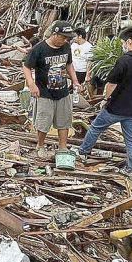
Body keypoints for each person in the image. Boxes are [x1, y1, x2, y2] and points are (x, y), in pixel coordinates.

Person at [77, 26, 132, 180]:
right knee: (131, 139)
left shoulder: (124, 61)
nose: (123, 45)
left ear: (129, 42)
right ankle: (131, 170)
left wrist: (106, 98)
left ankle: (83, 153)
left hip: (115, 108)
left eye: (124, 42)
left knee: (96, 128)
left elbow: (111, 84)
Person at [24, 20, 81, 160]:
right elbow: (26, 66)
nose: (65, 40)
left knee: (64, 121)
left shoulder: (66, 47)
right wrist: (31, 83)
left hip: (62, 91)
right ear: (55, 34)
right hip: (44, 92)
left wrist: (74, 80)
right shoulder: (39, 49)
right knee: (43, 121)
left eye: (67, 38)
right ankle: (40, 145)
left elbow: (69, 65)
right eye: (63, 37)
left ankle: (63, 147)